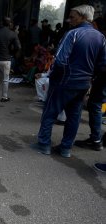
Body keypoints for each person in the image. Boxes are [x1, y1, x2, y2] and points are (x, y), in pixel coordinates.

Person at [32, 5, 106, 158]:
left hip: (65, 81)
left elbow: (59, 61)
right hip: (83, 83)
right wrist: (90, 79)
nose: (69, 20)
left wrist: (53, 78)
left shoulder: (72, 34)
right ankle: (66, 148)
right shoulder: (100, 37)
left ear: (83, 17)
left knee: (49, 113)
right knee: (74, 116)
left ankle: (44, 144)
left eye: (72, 17)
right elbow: (102, 65)